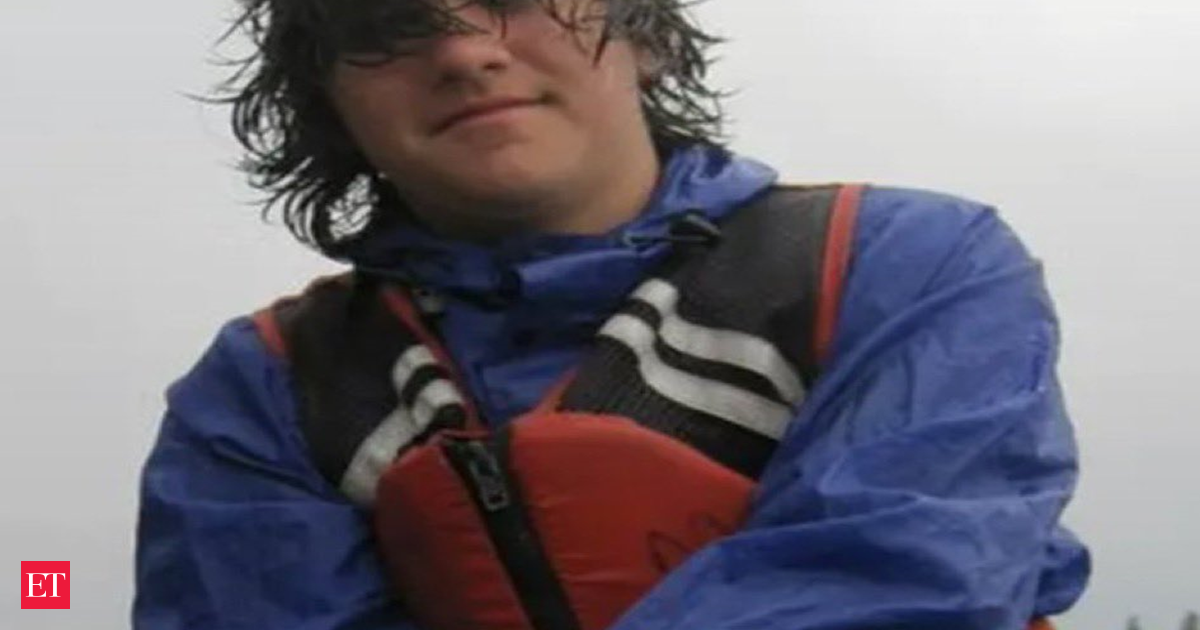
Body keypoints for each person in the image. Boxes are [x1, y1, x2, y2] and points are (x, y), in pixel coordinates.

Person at [133, 0, 1090, 628]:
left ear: (649, 37)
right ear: (332, 108)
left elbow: (906, 580)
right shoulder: (263, 388)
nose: (465, 51)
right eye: (387, 22)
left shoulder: (913, 262)